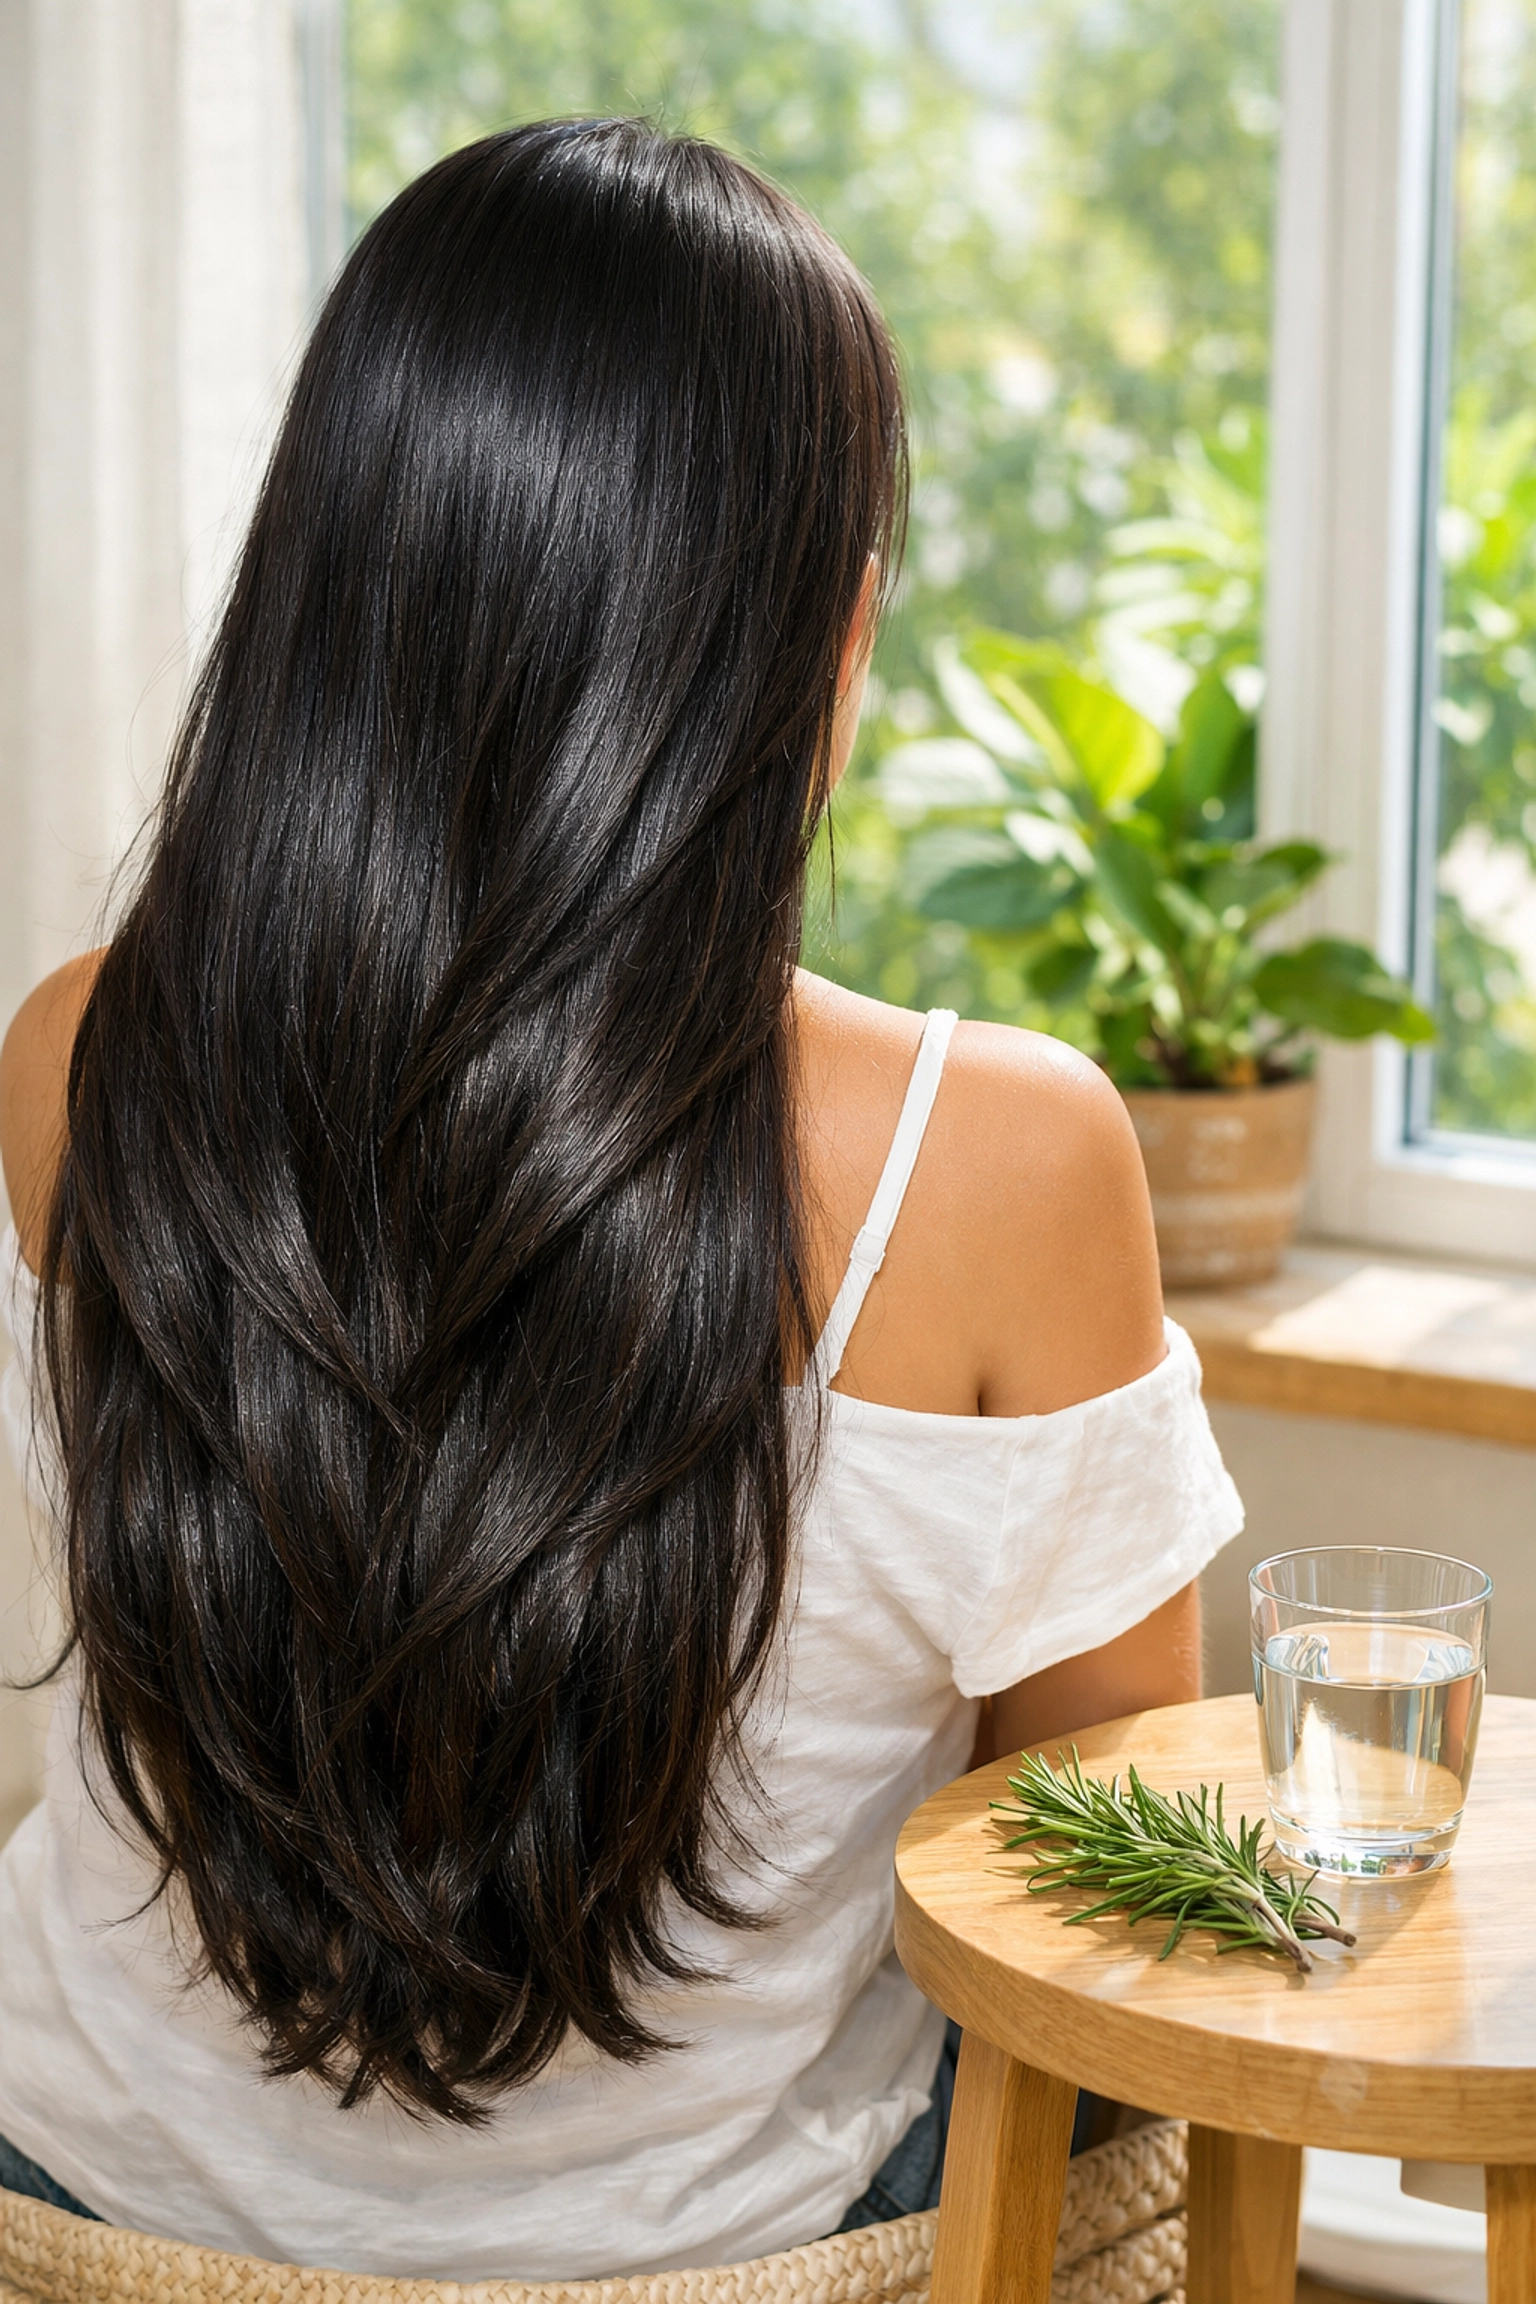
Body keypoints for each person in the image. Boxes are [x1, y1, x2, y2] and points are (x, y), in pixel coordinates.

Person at [0, 120, 1240, 2283]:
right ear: (816, 640)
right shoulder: (1007, 1155)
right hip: (729, 2248)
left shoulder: (78, 1054)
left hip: (87, 2193)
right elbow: (1116, 1875)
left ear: (328, 579)